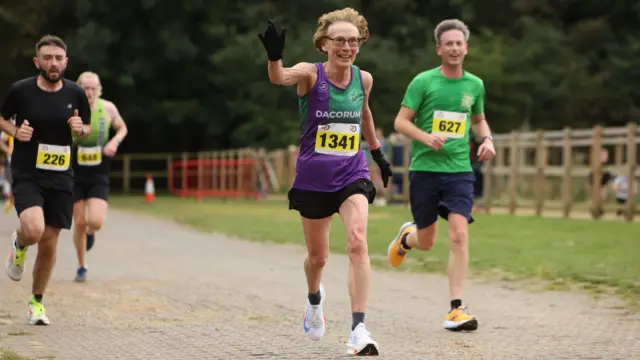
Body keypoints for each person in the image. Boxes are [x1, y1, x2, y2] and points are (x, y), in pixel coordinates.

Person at [258, 8, 392, 356]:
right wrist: (275, 57)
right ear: (324, 44)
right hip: (314, 179)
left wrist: (376, 153)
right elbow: (279, 77)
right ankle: (314, 299)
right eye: (339, 40)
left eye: (353, 41)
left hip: (352, 173)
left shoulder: (364, 79)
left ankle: (359, 329)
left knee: (358, 241)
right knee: (318, 258)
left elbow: (364, 113)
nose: (347, 47)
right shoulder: (310, 74)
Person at [386, 19, 496, 332]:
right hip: (425, 170)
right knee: (428, 240)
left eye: (459, 43)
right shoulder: (423, 82)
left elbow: (478, 120)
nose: (454, 48)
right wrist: (426, 137)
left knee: (460, 234)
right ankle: (408, 238)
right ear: (439, 49)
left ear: (466, 48)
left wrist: (487, 139)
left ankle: (456, 308)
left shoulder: (474, 85)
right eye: (448, 43)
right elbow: (400, 122)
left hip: (460, 170)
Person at [1, 34, 91, 325]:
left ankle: (36, 302)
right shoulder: (21, 90)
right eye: (48, 58)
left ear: (66, 62)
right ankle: (20, 243)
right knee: (34, 229)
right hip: (28, 172)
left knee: (50, 242)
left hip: (61, 176)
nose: (53, 63)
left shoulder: (75, 93)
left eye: (58, 58)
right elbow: (2, 118)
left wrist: (80, 128)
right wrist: (15, 133)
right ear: (36, 61)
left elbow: (86, 127)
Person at [71, 71, 128, 282]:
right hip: (75, 169)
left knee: (94, 221)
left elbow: (122, 128)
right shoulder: (71, 107)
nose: (89, 92)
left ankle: (90, 232)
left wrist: (114, 142)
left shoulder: (108, 108)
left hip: (98, 170)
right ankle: (81, 265)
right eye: (85, 88)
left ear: (99, 89)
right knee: (78, 221)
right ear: (78, 88)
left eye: (93, 88)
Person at [0, 118, 15, 213]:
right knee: (13, 182)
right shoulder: (8, 129)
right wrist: (7, 150)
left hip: (24, 160)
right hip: (11, 160)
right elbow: (1, 142)